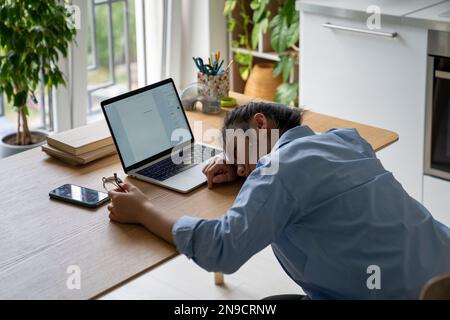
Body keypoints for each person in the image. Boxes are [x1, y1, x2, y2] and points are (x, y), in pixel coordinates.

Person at [107, 102, 450, 299]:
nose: (237, 165)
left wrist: (143, 210)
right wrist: (246, 166)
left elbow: (222, 250)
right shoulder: (347, 141)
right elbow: (306, 180)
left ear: (260, 123)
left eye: (234, 150)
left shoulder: (277, 170)